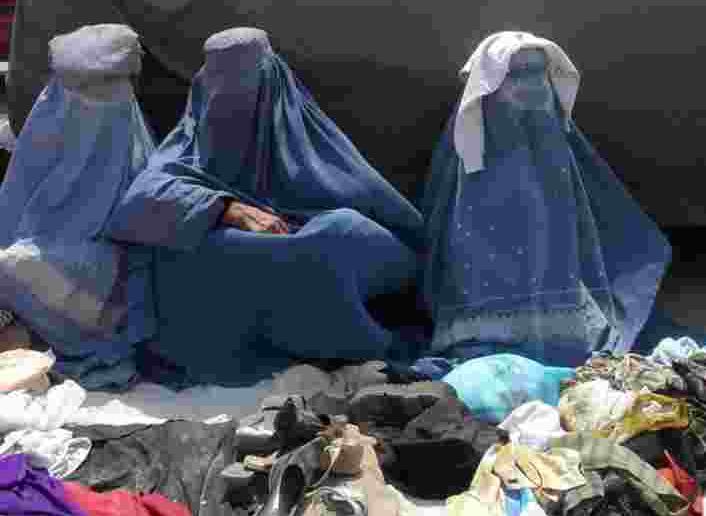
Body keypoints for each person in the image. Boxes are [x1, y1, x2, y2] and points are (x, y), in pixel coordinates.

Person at [104, 28, 425, 385]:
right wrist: (227, 208)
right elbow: (139, 204)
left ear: (273, 78)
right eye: (222, 83)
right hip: (243, 260)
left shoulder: (302, 129)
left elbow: (375, 207)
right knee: (182, 251)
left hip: (308, 240)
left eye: (245, 82)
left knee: (340, 233)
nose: (234, 97)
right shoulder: (192, 139)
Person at [420, 31, 672, 367]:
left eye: (538, 73)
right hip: (482, 273)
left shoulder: (553, 139)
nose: (531, 85)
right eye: (518, 75)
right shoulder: (468, 144)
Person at [0, 24, 156, 390]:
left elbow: (135, 247)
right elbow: (15, 203)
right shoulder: (51, 119)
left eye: (102, 90)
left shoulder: (131, 142)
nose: (89, 101)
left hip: (104, 279)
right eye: (77, 90)